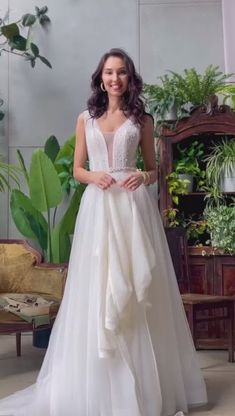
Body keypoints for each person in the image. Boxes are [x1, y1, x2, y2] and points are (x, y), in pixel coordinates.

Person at [0, 48, 207, 416]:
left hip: (132, 209)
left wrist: (141, 176)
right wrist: (95, 176)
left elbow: (153, 168)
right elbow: (79, 169)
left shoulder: (142, 119)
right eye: (109, 72)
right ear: (100, 78)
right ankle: (97, 383)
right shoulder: (86, 119)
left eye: (122, 72)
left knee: (137, 285)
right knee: (98, 286)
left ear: (130, 78)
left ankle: (144, 387)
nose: (115, 78)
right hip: (98, 207)